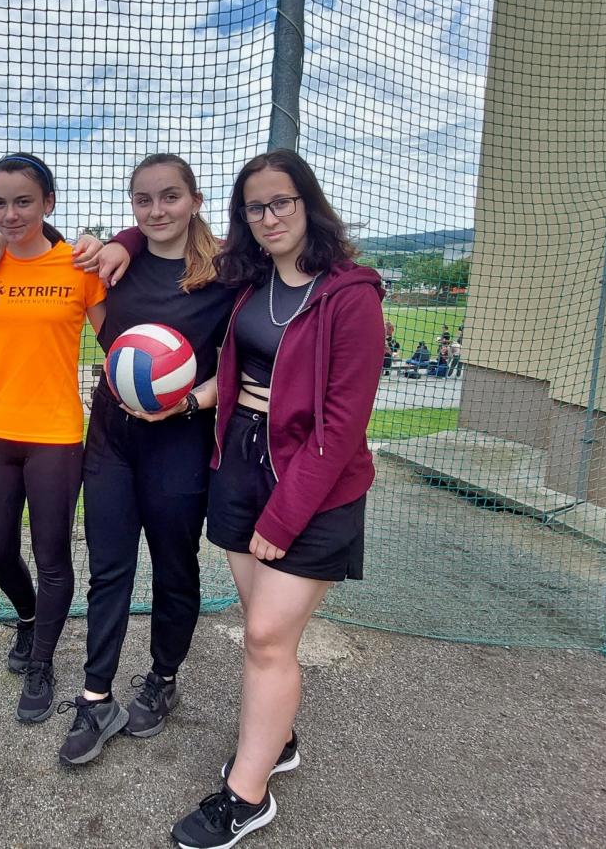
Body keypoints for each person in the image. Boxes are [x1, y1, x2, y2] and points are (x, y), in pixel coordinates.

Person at [168, 149, 385, 848]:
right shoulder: (249, 282)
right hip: (240, 465)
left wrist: (286, 515)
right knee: (266, 631)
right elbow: (240, 373)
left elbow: (342, 426)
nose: (268, 217)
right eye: (254, 207)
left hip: (314, 480)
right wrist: (188, 401)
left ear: (307, 203)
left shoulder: (351, 295)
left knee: (265, 636)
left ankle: (246, 796)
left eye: (280, 202)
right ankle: (278, 737)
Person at [54, 154, 236, 766]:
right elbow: (41, 244)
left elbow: (240, 364)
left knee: (174, 567)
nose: (156, 211)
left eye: (170, 197)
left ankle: (162, 677)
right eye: (143, 200)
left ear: (195, 200)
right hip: (111, 439)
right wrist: (118, 240)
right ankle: (96, 695)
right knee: (109, 567)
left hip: (179, 439)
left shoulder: (225, 274)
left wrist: (187, 401)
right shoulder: (116, 264)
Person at [0, 153, 106, 724]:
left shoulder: (79, 265)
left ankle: (42, 662)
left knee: (52, 556)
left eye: (23, 202)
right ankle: (28, 618)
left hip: (56, 434)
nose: (10, 214)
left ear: (48, 202)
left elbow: (119, 344)